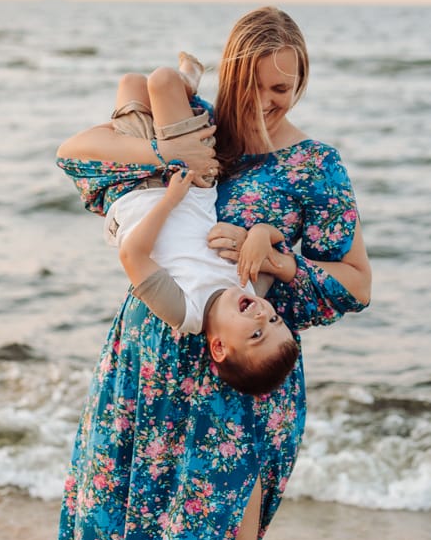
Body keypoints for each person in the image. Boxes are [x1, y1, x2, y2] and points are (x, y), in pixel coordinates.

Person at [53, 7, 371, 540]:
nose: (268, 103)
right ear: (230, 75)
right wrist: (168, 157)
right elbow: (77, 152)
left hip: (242, 395)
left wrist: (282, 261)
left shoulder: (313, 167)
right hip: (144, 373)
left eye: (284, 88)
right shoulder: (193, 133)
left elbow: (357, 285)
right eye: (256, 86)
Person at [105, 60, 299, 395]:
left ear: (219, 347)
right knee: (163, 81)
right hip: (194, 179)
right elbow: (281, 250)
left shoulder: (185, 311)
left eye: (256, 335)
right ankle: (188, 82)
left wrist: (169, 200)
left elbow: (132, 255)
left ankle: (187, 88)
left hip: (138, 188)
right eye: (274, 320)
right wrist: (260, 234)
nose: (261, 317)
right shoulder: (250, 286)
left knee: (131, 84)